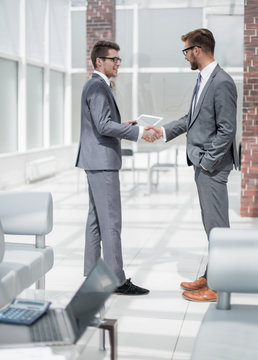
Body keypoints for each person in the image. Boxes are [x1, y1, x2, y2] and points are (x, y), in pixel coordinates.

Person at [145, 28, 238, 302]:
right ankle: (211, 276)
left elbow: (227, 130)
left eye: (186, 51)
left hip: (211, 166)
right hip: (203, 164)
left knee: (218, 229)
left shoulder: (222, 82)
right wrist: (162, 131)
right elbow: (192, 118)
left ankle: (220, 286)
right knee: (212, 226)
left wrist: (208, 163)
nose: (185, 57)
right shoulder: (203, 80)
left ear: (196, 50)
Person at [76, 40, 159, 295]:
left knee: (96, 220)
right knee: (111, 221)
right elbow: (103, 126)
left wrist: (124, 124)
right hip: (102, 162)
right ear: (99, 61)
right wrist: (136, 131)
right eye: (114, 59)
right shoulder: (98, 87)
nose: (118, 63)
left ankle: (92, 273)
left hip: (94, 160)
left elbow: (102, 123)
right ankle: (116, 280)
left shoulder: (96, 86)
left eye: (119, 59)